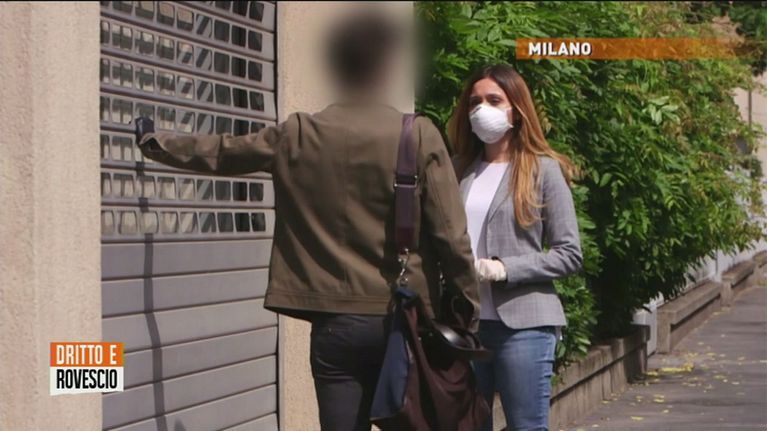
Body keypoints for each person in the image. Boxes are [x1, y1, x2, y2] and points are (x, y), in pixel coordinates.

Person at [133, 10, 480, 431]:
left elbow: (224, 151)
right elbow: (452, 237)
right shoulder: (417, 135)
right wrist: (465, 315)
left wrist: (154, 142)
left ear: (336, 68)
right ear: (386, 68)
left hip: (334, 323)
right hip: (406, 323)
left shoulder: (296, 134)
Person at [448, 64, 583, 431]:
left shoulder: (543, 170)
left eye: (494, 100)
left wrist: (506, 269)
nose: (482, 109)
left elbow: (569, 254)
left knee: (526, 426)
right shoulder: (457, 169)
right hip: (465, 325)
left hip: (523, 326)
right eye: (474, 102)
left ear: (517, 109)